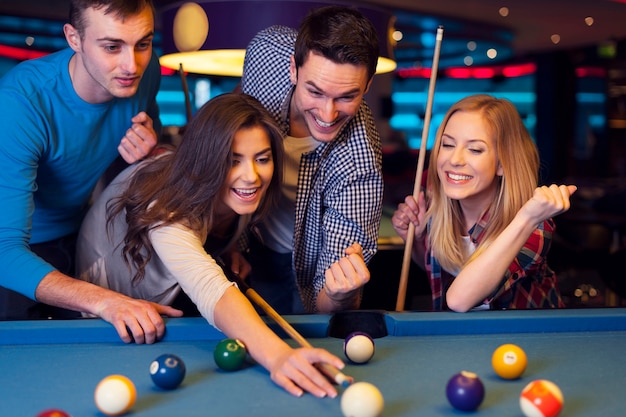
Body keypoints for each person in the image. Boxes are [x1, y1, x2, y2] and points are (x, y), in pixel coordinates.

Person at [76, 92, 345, 398]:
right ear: (206, 160)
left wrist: (223, 247)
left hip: (163, 289)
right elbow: (210, 288)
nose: (251, 176)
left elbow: (205, 229)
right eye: (233, 161)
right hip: (106, 304)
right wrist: (278, 355)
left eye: (262, 158)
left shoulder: (233, 192)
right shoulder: (165, 211)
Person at [0, 0, 182, 342]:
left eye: (143, 43)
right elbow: (4, 249)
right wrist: (105, 301)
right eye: (112, 47)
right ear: (73, 38)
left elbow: (148, 131)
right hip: (17, 251)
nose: (132, 64)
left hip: (86, 233)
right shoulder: (20, 103)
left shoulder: (147, 73)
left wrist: (151, 148)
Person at [240, 5, 384, 314]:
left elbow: (327, 300)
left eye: (346, 97)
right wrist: (228, 239)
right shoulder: (265, 54)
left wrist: (341, 295)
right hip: (241, 242)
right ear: (292, 69)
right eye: (315, 92)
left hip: (303, 266)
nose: (328, 114)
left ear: (368, 85)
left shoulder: (359, 163)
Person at [391, 94, 577, 312]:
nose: (454, 160)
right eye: (448, 145)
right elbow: (443, 268)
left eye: (475, 149)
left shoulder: (533, 225)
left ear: (502, 164)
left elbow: (459, 300)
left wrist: (527, 218)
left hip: (527, 342)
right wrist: (417, 241)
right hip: (457, 342)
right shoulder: (438, 208)